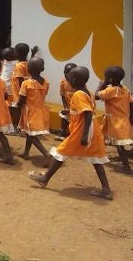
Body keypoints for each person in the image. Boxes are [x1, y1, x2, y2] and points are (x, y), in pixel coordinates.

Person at [29, 66, 113, 200]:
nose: (68, 81)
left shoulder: (78, 95)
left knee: (62, 151)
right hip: (90, 128)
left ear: (74, 80)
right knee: (95, 158)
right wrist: (70, 112)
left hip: (84, 130)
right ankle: (106, 189)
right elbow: (85, 110)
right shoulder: (87, 93)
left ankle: (45, 178)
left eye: (69, 79)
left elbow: (87, 113)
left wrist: (84, 135)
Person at [95, 65, 133, 174]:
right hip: (117, 119)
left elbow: (96, 97)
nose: (104, 78)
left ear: (110, 79)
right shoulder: (124, 89)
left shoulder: (111, 90)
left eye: (105, 77)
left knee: (119, 145)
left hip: (116, 121)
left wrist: (100, 85)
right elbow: (131, 102)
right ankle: (99, 154)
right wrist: (131, 116)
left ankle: (126, 167)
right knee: (101, 136)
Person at [17, 57, 52, 165]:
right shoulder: (46, 82)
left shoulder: (26, 83)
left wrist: (18, 105)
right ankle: (26, 152)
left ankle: (46, 153)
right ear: (43, 69)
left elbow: (22, 98)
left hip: (30, 112)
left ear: (28, 69)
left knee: (32, 135)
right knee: (29, 133)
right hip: (41, 110)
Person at [57, 63, 77, 140]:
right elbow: (63, 95)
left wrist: (72, 109)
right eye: (65, 72)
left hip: (77, 109)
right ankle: (62, 132)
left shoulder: (79, 84)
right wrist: (65, 107)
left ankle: (74, 135)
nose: (66, 74)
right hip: (68, 107)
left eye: (68, 73)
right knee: (64, 117)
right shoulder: (63, 82)